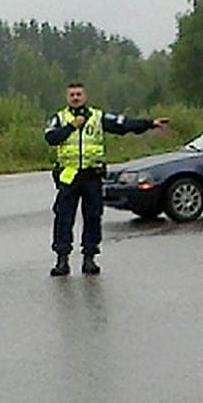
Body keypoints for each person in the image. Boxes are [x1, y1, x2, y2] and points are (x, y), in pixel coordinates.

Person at [44, 82, 168, 276]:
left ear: (85, 96)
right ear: (67, 98)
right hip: (69, 177)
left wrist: (149, 123)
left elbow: (123, 125)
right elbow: (51, 138)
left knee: (93, 217)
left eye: (79, 94)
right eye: (72, 95)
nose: (76, 98)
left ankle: (89, 259)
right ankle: (62, 260)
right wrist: (70, 126)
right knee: (63, 218)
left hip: (92, 176)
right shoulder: (59, 118)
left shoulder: (97, 116)